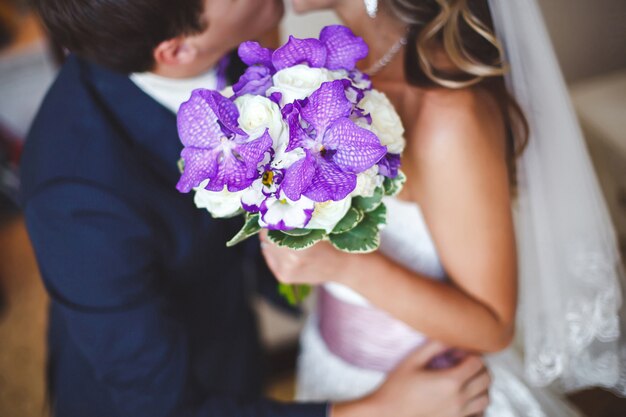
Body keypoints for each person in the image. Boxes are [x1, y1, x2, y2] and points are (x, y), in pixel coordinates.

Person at [21, 0, 493, 416]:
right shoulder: (77, 199)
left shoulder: (240, 39)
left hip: (236, 339)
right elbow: (163, 408)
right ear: (178, 49)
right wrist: (379, 412)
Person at [262, 0, 626, 415]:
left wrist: (341, 265)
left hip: (438, 395)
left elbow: (493, 327)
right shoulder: (326, 75)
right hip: (332, 371)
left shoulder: (443, 113)